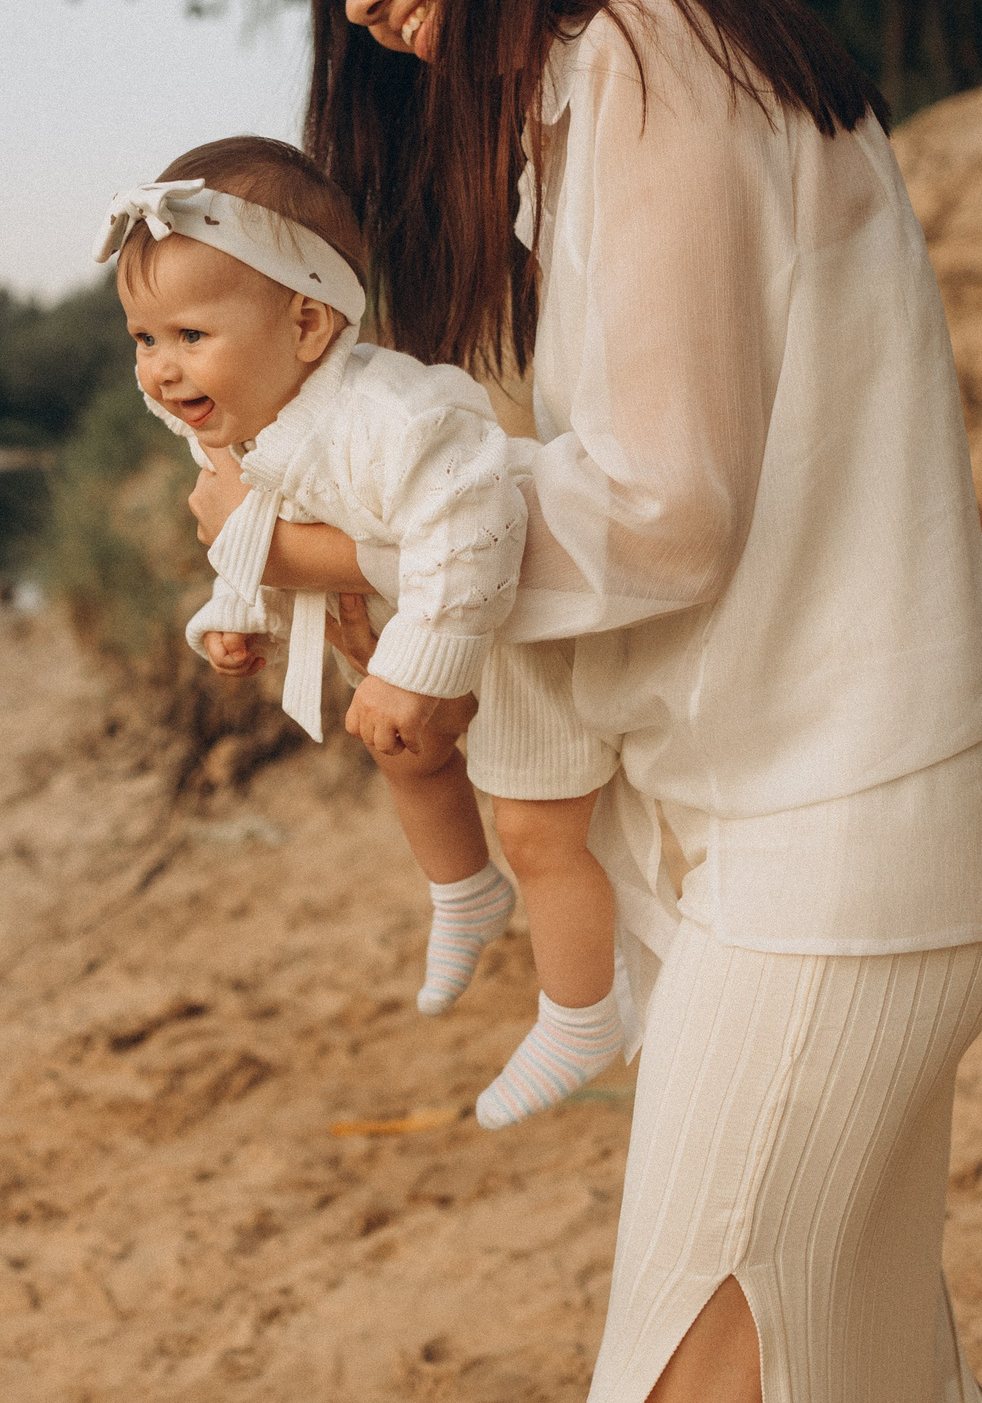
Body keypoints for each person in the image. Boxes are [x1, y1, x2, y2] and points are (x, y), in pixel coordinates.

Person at [193, 0, 982, 1403]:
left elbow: (661, 505)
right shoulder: (616, 91)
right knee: (854, 1364)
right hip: (812, 825)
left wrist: (324, 538)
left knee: (681, 1369)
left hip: (842, 837)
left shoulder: (650, 55)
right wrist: (367, 549)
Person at [104, 134, 625, 1128]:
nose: (163, 371)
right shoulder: (239, 420)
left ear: (306, 323)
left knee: (539, 828)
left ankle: (578, 1013)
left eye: (188, 336)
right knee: (403, 750)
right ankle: (463, 892)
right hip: (406, 623)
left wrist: (424, 663)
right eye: (142, 340)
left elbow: (480, 519)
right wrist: (237, 609)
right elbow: (263, 534)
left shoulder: (390, 414)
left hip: (508, 629)